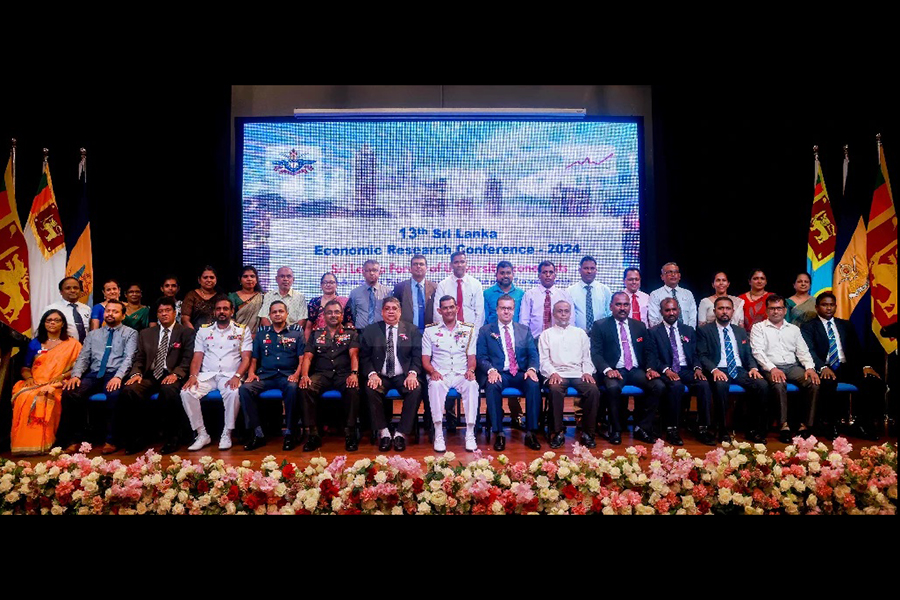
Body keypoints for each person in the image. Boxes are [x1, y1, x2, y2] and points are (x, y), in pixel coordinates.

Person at [800, 292, 885, 440]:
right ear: (817, 307)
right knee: (828, 382)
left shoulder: (845, 324)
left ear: (836, 307)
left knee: (874, 383)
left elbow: (856, 349)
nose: (828, 308)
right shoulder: (808, 326)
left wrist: (865, 366)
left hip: (846, 366)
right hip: (825, 367)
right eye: (824, 305)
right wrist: (821, 367)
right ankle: (830, 425)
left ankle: (861, 424)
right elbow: (809, 351)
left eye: (831, 305)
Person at [57, 299, 138, 454]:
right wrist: (76, 376)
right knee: (71, 392)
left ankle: (112, 440)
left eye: (115, 311)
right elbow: (83, 358)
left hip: (114, 373)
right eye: (108, 311)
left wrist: (118, 377)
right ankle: (75, 439)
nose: (110, 314)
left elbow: (129, 358)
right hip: (94, 374)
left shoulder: (130, 333)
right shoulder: (93, 335)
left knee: (115, 395)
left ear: (122, 315)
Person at [120, 297, 195, 454]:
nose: (164, 314)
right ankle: (138, 438)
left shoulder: (186, 332)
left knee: (168, 390)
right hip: (150, 374)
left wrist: (177, 373)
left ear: (175, 313)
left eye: (167, 311)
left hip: (172, 374)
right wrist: (136, 373)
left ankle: (173, 438)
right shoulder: (146, 333)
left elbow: (188, 358)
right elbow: (139, 357)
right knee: (130, 389)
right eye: (160, 311)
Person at [590, 292, 664, 445]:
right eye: (618, 304)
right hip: (615, 370)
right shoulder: (600, 325)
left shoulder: (639, 326)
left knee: (658, 386)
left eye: (625, 304)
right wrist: (607, 370)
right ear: (611, 307)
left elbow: (649, 351)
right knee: (612, 388)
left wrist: (650, 368)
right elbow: (596, 354)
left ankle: (642, 428)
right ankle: (615, 430)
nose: (622, 308)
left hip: (636, 370)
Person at [180, 296, 252, 451]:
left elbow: (246, 359)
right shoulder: (204, 331)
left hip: (230, 375)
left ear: (232, 311)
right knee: (186, 392)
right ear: (214, 312)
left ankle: (227, 433)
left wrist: (237, 377)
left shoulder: (242, 330)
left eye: (225, 309)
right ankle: (202, 434)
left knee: (233, 392)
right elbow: (197, 357)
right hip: (208, 375)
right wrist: (193, 376)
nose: (222, 312)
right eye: (218, 309)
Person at [695, 296, 769, 444]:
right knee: (721, 385)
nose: (724, 312)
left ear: (733, 312)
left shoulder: (740, 331)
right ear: (715, 311)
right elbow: (702, 355)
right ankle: (722, 430)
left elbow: (748, 354)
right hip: (719, 368)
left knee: (762, 385)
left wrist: (753, 368)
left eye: (728, 309)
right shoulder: (704, 330)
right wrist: (714, 370)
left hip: (739, 369)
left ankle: (753, 430)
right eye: (721, 308)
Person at [750, 294, 821, 443]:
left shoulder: (793, 329)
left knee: (813, 382)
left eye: (779, 308)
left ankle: (805, 425)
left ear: (784, 310)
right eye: (772, 309)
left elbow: (803, 351)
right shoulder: (758, 328)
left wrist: (810, 368)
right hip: (770, 367)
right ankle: (784, 426)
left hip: (792, 366)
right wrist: (772, 368)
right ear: (767, 310)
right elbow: (758, 352)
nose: (776, 311)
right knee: (778, 384)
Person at [9, 310, 82, 455]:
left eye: (56, 320)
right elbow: (25, 367)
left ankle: (47, 442)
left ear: (62, 324)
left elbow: (79, 367)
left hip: (60, 382)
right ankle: (24, 444)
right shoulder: (35, 343)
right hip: (36, 381)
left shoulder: (72, 344)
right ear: (44, 323)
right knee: (24, 396)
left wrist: (62, 377)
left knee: (46, 395)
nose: (52, 323)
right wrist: (29, 378)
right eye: (48, 320)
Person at [477, 295, 542, 451]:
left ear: (514, 310)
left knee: (534, 384)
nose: (506, 311)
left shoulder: (524, 330)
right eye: (503, 308)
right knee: (492, 386)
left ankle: (531, 432)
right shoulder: (486, 331)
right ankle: (499, 432)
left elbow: (533, 354)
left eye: (509, 308)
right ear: (497, 310)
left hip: (520, 372)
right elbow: (481, 357)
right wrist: (491, 370)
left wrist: (532, 369)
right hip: (499, 373)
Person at [359, 297, 423, 452]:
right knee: (370, 389)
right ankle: (384, 432)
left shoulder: (412, 330)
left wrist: (413, 374)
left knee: (415, 389)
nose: (391, 311)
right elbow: (364, 357)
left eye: (394, 308)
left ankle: (400, 433)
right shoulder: (371, 330)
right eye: (387, 308)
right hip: (380, 376)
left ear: (400, 312)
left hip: (403, 375)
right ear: (382, 312)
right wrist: (372, 374)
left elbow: (417, 355)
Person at [240, 300, 305, 452]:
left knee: (292, 388)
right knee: (245, 389)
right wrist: (250, 373)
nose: (277, 314)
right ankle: (258, 434)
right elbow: (254, 358)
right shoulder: (262, 333)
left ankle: (290, 433)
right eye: (274, 312)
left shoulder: (296, 333)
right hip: (266, 376)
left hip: (287, 375)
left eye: (280, 311)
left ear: (287, 314)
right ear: (269, 315)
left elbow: (302, 359)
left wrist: (297, 374)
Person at [647, 298, 713, 446]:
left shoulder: (688, 330)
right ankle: (672, 429)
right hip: (667, 370)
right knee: (675, 386)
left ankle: (703, 428)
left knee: (704, 384)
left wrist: (697, 368)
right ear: (661, 312)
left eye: (674, 309)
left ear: (679, 311)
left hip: (686, 369)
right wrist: (666, 370)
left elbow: (696, 353)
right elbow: (652, 357)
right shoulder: (653, 332)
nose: (671, 313)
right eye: (667, 310)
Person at [299, 299, 360, 452]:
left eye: (337, 312)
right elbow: (308, 357)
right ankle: (313, 434)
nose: (333, 315)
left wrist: (354, 374)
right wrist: (304, 375)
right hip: (322, 374)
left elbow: (354, 355)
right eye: (329, 312)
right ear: (324, 315)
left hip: (343, 374)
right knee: (306, 388)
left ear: (342, 315)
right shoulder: (316, 334)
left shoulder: (351, 333)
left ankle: (350, 433)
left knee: (353, 389)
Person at [422, 295, 480, 452]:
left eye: (451, 307)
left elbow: (472, 358)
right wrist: (433, 372)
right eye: (445, 308)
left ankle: (469, 433)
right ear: (439, 311)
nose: (448, 310)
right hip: (440, 373)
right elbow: (425, 360)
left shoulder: (468, 330)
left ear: (457, 308)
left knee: (472, 384)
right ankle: (439, 433)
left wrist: (470, 370)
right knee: (434, 385)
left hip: (461, 373)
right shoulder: (430, 331)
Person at [539, 300, 600, 449]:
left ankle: (588, 433)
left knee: (593, 390)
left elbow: (587, 357)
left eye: (566, 311)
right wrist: (552, 373)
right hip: (556, 373)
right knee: (555, 390)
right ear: (553, 314)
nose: (563, 314)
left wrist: (587, 372)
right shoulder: (546, 335)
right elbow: (544, 360)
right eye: (560, 311)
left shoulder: (580, 333)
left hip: (578, 373)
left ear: (570, 313)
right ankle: (557, 432)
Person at [519, 260, 573, 339]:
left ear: (555, 275)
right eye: (544, 272)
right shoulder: (530, 295)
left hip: (559, 339)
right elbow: (524, 321)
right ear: (539, 275)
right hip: (534, 340)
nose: (548, 275)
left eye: (551, 272)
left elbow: (571, 320)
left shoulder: (564, 295)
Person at [433, 252, 484, 329]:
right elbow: (437, 312)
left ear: (466, 264)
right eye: (456, 262)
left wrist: (474, 333)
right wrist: (444, 332)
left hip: (470, 330)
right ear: (451, 265)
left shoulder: (476, 284)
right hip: (447, 331)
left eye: (462, 262)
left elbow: (480, 314)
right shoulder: (443, 285)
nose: (459, 265)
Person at [392, 254, 436, 334]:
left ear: (426, 268)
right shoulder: (400, 287)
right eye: (415, 264)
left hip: (429, 332)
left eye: (421, 264)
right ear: (410, 269)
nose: (418, 266)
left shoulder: (435, 288)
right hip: (407, 332)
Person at [568, 255, 612, 331]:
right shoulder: (570, 291)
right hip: (578, 335)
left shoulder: (605, 290)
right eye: (586, 268)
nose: (589, 271)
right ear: (579, 270)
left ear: (596, 270)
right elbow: (569, 316)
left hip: (601, 334)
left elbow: (610, 314)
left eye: (592, 268)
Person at [306, 272, 354, 340]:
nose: (328, 285)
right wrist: (307, 346)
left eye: (331, 282)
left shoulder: (345, 302)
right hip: (317, 340)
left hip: (339, 340)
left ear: (336, 284)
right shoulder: (314, 302)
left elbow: (348, 324)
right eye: (325, 282)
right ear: (321, 285)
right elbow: (308, 326)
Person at [648, 262, 698, 328]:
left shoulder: (688, 294)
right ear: (662, 277)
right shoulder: (655, 294)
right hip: (663, 335)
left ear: (679, 276)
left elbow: (693, 318)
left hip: (686, 334)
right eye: (669, 272)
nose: (673, 274)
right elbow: (653, 319)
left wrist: (689, 333)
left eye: (676, 272)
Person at [43, 276, 91, 343]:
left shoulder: (87, 309)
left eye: (76, 288)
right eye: (68, 288)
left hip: (85, 349)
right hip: (62, 348)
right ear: (61, 292)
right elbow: (44, 332)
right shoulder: (52, 309)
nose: (72, 290)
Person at [349, 260, 392, 330]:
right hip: (361, 331)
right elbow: (353, 313)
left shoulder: (388, 292)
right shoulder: (355, 293)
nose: (372, 273)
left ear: (380, 272)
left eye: (375, 270)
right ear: (363, 273)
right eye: (368, 270)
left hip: (380, 332)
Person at [483, 260, 524, 325]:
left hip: (515, 333)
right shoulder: (487, 294)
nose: (505, 276)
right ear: (496, 275)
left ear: (513, 275)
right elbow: (484, 318)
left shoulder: (521, 294)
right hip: (492, 333)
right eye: (502, 273)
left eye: (508, 273)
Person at [228, 265, 265, 333]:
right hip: (236, 334)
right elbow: (229, 318)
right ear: (240, 280)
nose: (249, 279)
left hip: (256, 336)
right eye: (245, 276)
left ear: (256, 280)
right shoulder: (233, 297)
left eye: (252, 276)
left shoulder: (262, 297)